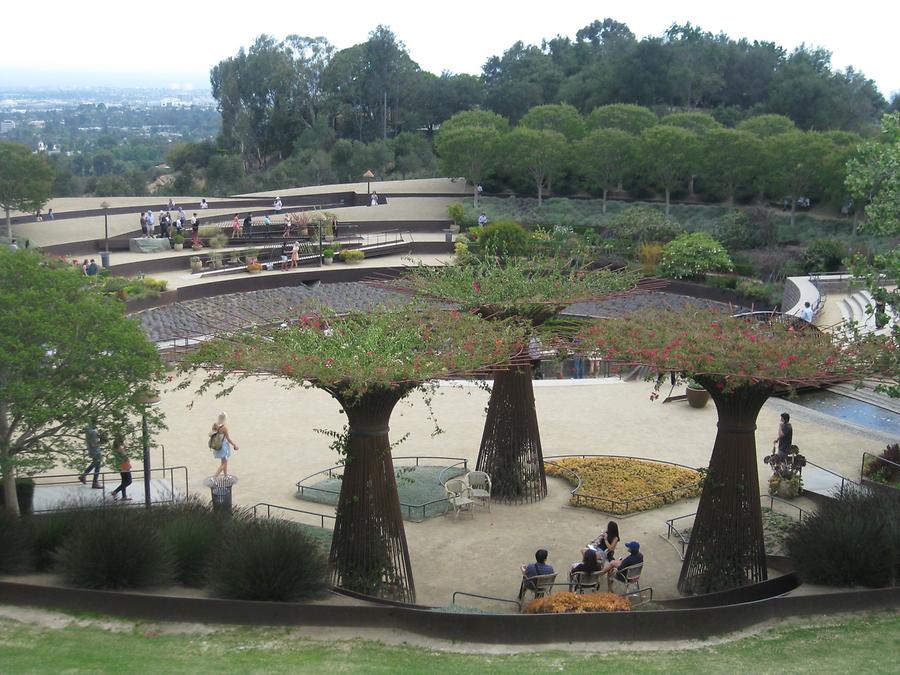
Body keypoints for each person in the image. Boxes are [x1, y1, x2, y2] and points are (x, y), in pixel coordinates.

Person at [211, 412, 239, 478]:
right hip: (224, 447)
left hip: (218, 445)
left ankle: (225, 475)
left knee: (224, 462)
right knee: (224, 463)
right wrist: (234, 445)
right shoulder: (224, 428)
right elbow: (228, 439)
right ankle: (214, 477)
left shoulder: (215, 425)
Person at [79, 419, 104, 489]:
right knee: (98, 465)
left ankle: (83, 476)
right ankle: (95, 482)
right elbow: (93, 444)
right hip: (95, 451)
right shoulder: (93, 432)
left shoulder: (87, 430)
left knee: (94, 464)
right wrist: (101, 441)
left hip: (90, 450)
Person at [110, 434, 133, 502]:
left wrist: (124, 448)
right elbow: (126, 457)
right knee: (129, 481)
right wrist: (126, 454)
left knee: (124, 482)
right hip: (124, 466)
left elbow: (121, 455)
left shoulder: (116, 448)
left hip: (120, 466)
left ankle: (124, 496)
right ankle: (115, 492)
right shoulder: (120, 449)